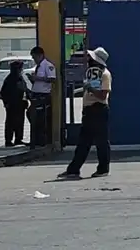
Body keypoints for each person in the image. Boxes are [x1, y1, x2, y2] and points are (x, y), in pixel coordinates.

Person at [59, 47, 112, 179]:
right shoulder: (91, 74)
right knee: (83, 142)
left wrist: (92, 89)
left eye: (91, 58)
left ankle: (103, 168)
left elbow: (103, 96)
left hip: (98, 109)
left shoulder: (105, 74)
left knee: (101, 141)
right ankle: (74, 169)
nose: (88, 60)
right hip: (89, 110)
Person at [27, 46, 57, 148]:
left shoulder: (48, 66)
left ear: (40, 55)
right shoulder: (38, 67)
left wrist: (38, 78)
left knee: (41, 119)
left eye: (34, 57)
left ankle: (42, 140)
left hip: (43, 96)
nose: (34, 60)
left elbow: (52, 79)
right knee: (32, 115)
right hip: (36, 95)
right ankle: (36, 139)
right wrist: (32, 79)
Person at [0, 60, 29, 147]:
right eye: (20, 68)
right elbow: (4, 93)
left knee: (20, 122)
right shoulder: (9, 79)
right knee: (10, 122)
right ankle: (8, 140)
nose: (21, 70)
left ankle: (18, 139)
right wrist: (6, 103)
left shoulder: (20, 78)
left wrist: (26, 100)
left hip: (20, 104)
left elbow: (24, 89)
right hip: (12, 105)